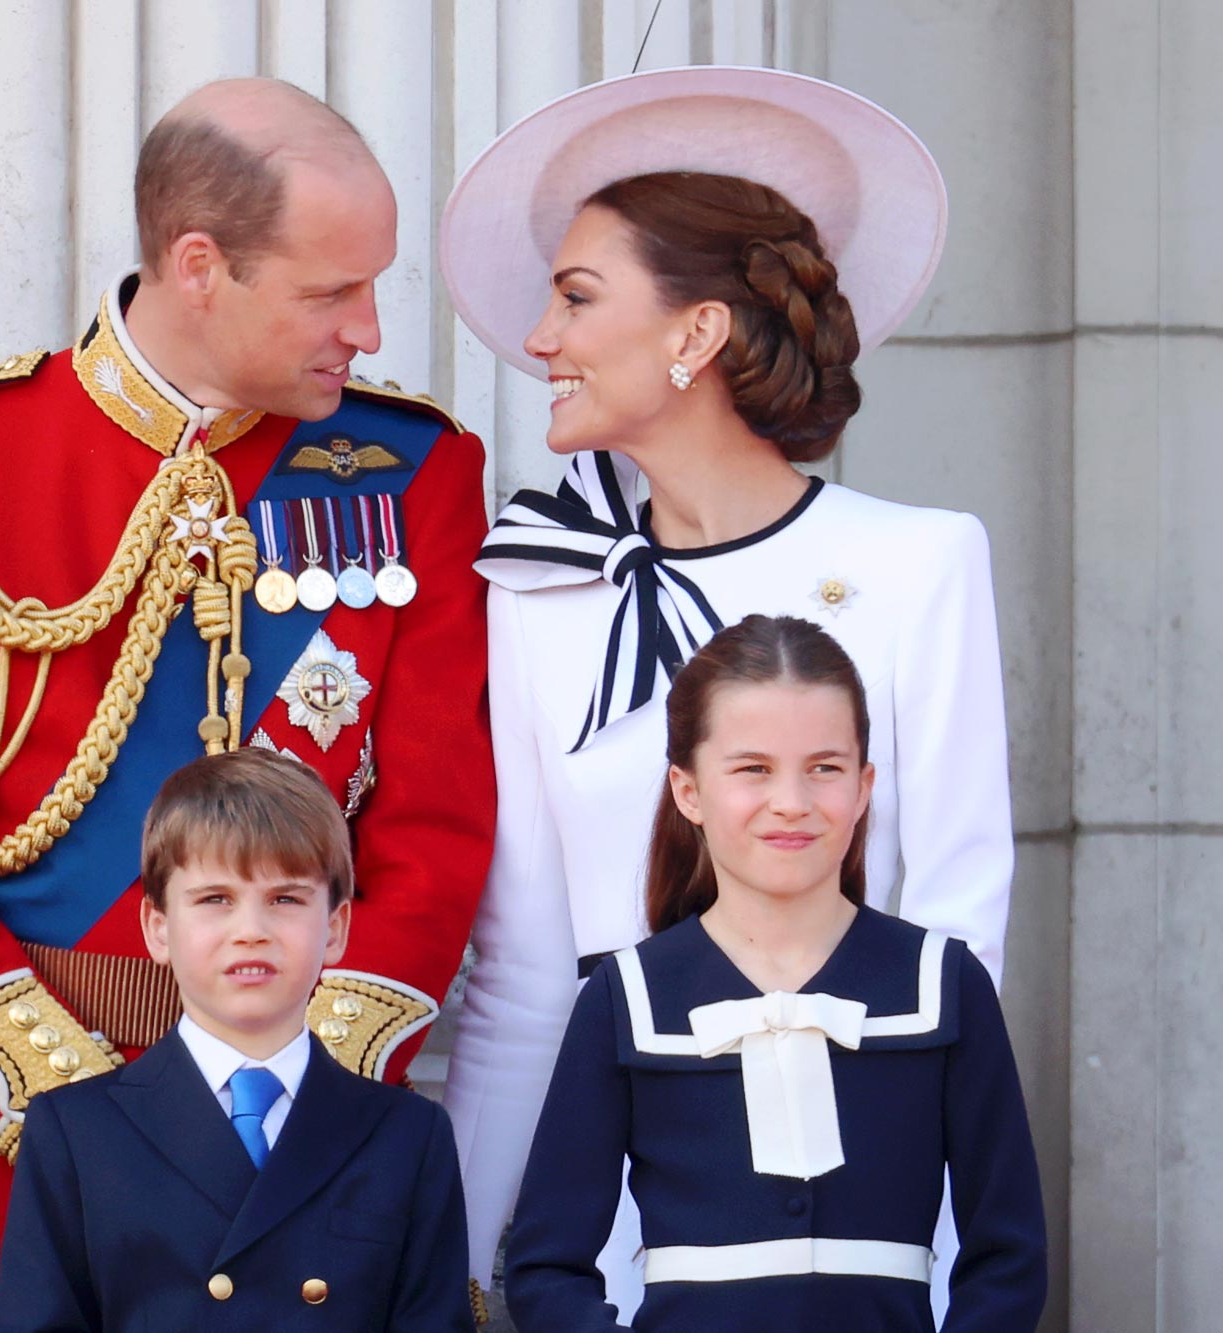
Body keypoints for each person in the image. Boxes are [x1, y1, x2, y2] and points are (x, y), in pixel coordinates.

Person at [0, 77, 496, 1330]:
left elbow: (434, 833)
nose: (369, 329)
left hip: (303, 1152)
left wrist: (296, 1081)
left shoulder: (416, 474)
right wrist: (85, 1113)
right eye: (329, 291)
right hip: (8, 1154)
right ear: (198, 266)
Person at [434, 66, 1013, 1316]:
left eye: (576, 299)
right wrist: (474, 1254)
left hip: (852, 1214)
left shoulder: (919, 562)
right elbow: (524, 969)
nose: (540, 340)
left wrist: (950, 1262)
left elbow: (955, 931)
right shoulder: (537, 588)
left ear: (693, 333)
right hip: (614, 1214)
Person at [502, 615, 1045, 1331]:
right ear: (688, 790)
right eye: (753, 768)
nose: (792, 800)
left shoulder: (943, 984)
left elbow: (1009, 1257)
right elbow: (545, 1266)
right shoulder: (626, 997)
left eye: (825, 767)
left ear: (864, 786)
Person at [0, 748, 474, 1330]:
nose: (251, 931)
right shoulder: (75, 1131)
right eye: (216, 899)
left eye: (286, 899)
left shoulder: (407, 1136)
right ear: (158, 928)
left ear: (337, 929)